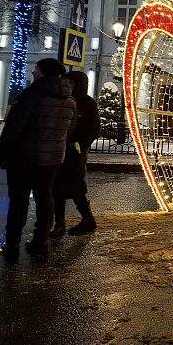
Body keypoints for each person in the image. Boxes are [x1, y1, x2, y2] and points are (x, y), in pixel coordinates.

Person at [0, 59, 77, 260]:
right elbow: (68, 132)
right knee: (45, 197)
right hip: (52, 159)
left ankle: (12, 244)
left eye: (36, 69)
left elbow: (14, 127)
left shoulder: (32, 95)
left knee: (18, 200)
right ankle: (40, 242)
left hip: (24, 157)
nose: (33, 72)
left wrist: (3, 153)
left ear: (43, 72)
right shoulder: (70, 101)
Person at [50, 71, 101, 238]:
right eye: (66, 82)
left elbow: (93, 128)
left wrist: (78, 146)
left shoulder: (86, 102)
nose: (68, 86)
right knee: (56, 189)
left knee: (75, 188)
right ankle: (59, 223)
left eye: (71, 83)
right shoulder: (62, 99)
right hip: (59, 150)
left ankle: (87, 219)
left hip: (74, 153)